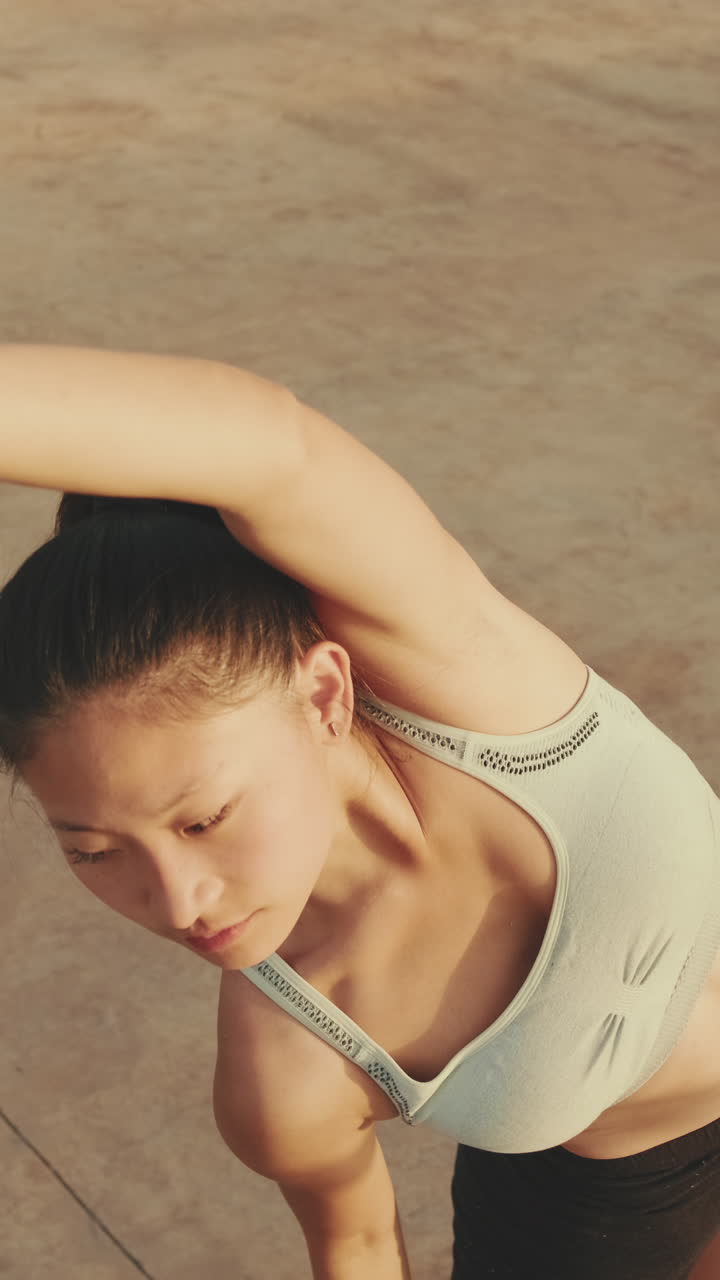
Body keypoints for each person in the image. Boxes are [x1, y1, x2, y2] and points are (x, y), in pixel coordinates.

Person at [0, 342, 719, 1280]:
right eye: (94, 852)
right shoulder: (287, 1070)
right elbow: (361, 1245)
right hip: (608, 1225)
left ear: (325, 695)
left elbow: (269, 449)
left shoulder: (469, 678)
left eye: (203, 820)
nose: (177, 903)